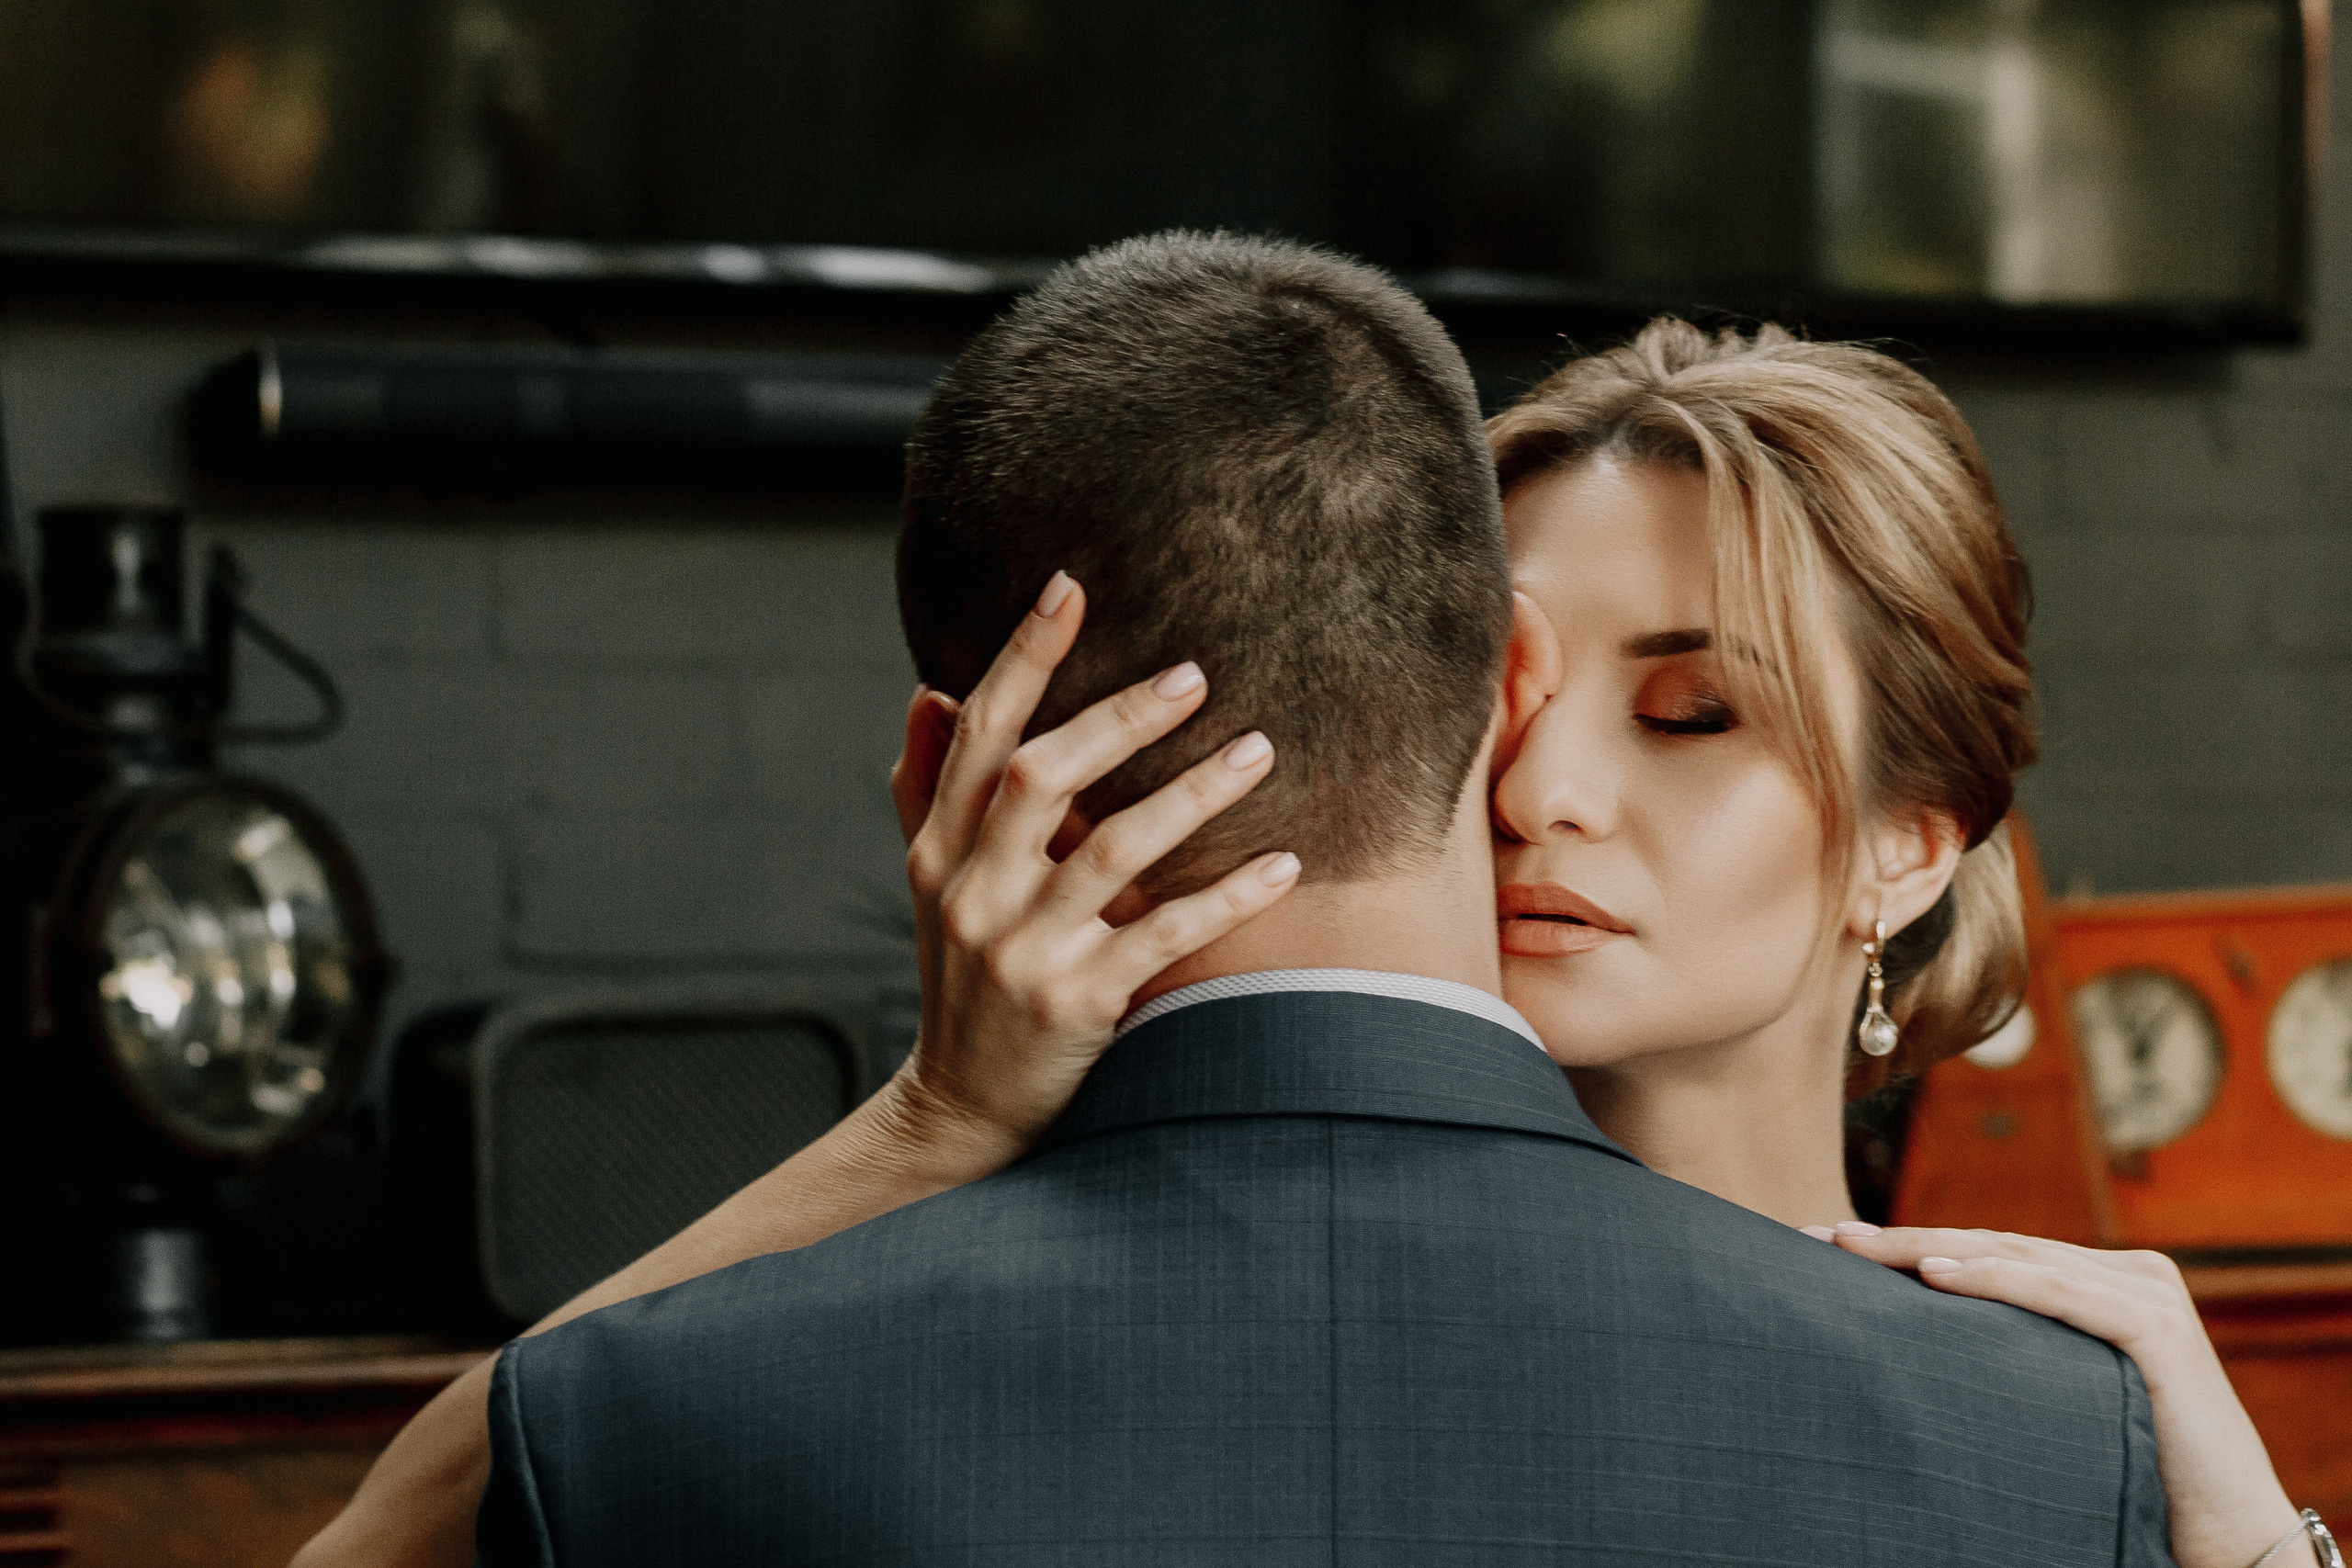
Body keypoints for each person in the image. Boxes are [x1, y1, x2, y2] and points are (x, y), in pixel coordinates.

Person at [301, 234, 2170, 1566]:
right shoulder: (2040, 1437)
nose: (1538, 788)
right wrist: (928, 1129)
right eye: (1488, 695)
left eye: (1687, 710)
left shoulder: (2071, 1420)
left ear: (1913, 835)